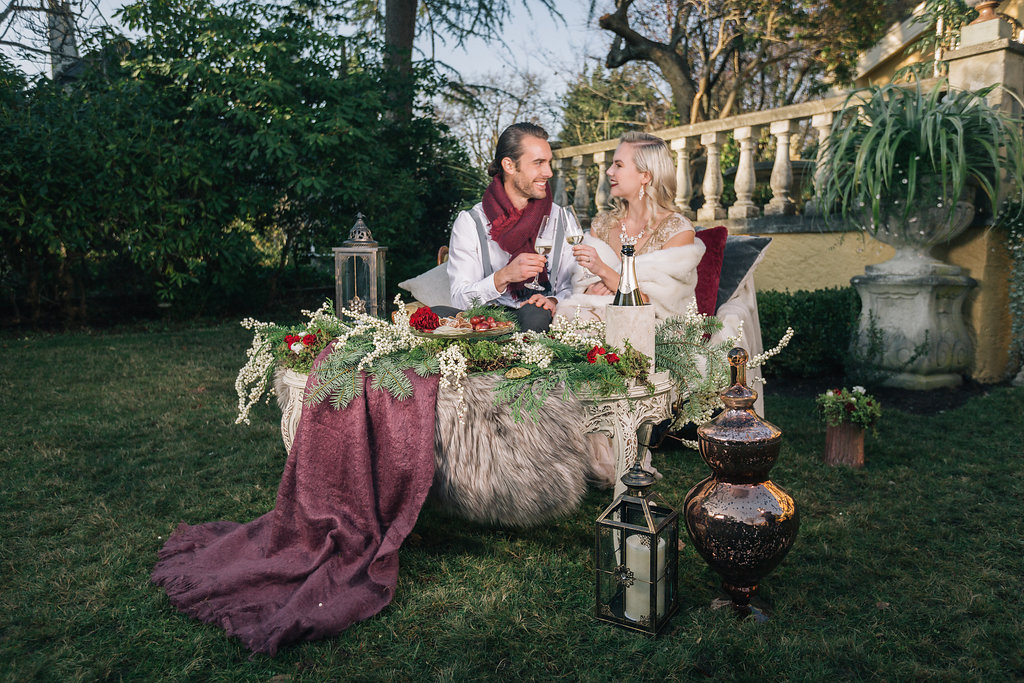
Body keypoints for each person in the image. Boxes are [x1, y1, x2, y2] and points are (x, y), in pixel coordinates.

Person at [555, 131, 705, 322]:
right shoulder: (602, 225)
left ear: (645, 175)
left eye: (618, 165)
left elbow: (661, 306)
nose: (609, 171)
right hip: (599, 319)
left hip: (656, 334)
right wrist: (589, 291)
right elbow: (582, 286)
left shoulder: (677, 230)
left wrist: (603, 272)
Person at [444, 122, 580, 331]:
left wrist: (554, 301)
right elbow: (460, 299)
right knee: (434, 313)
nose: (549, 172)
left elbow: (574, 286)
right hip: (486, 325)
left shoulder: (561, 218)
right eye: (538, 163)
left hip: (540, 321)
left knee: (535, 315)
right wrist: (503, 276)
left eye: (549, 162)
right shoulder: (472, 222)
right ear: (509, 165)